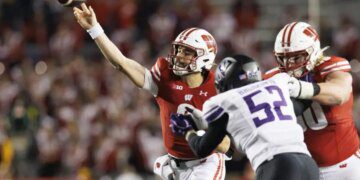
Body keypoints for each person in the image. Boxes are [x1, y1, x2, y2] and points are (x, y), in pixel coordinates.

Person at [72, 3, 229, 180]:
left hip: (204, 165)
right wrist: (94, 28)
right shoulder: (165, 76)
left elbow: (226, 145)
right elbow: (121, 63)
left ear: (206, 57)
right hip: (172, 165)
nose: (178, 56)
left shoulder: (218, 89)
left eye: (187, 52)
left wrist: (200, 129)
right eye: (178, 50)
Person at [170, 54, 319, 180]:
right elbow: (301, 105)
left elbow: (202, 148)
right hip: (309, 164)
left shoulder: (223, 101)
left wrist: (187, 131)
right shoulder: (277, 83)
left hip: (277, 164)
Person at [266, 21, 360, 180]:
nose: (289, 65)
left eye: (297, 57)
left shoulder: (330, 66)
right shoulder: (272, 78)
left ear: (313, 51)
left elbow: (339, 93)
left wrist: (299, 88)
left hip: (345, 166)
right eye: (283, 58)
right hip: (304, 170)